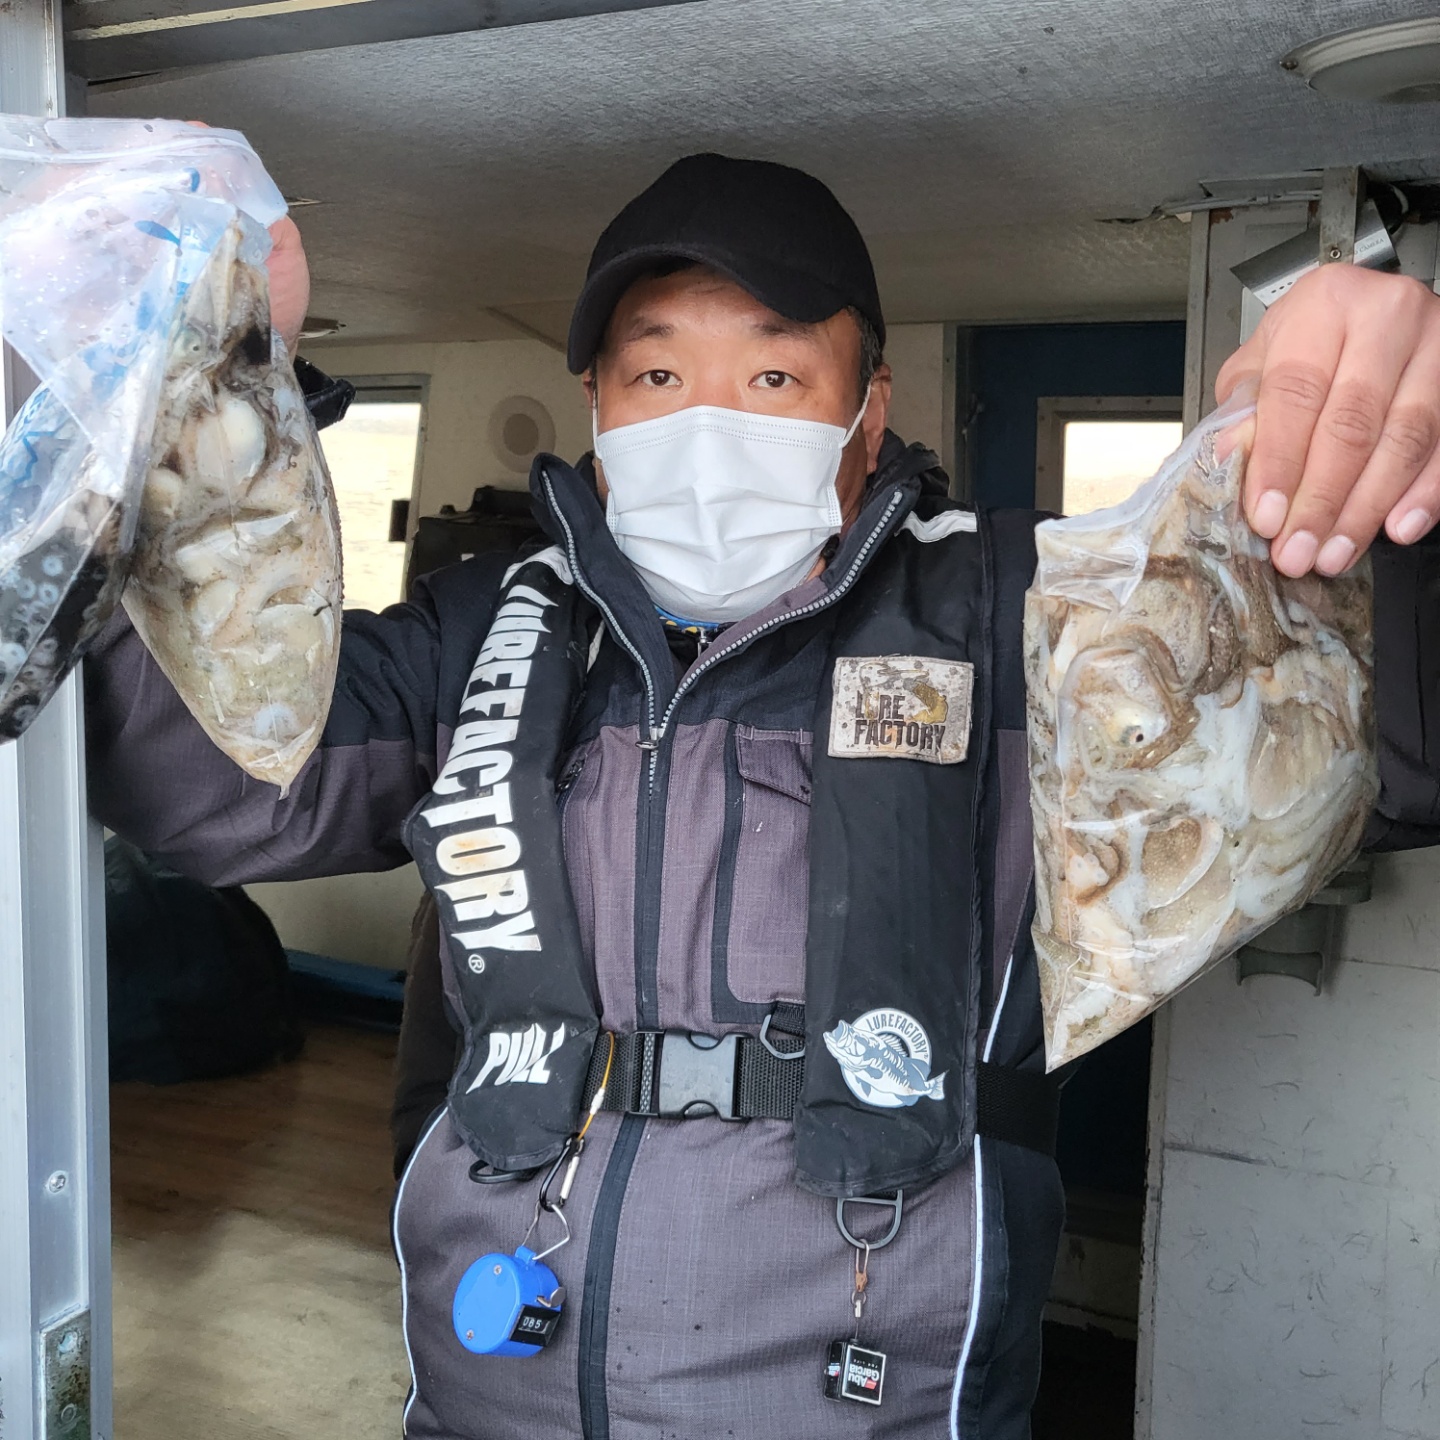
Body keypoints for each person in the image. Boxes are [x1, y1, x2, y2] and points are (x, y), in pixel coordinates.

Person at [88, 152, 1440, 1438]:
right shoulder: (484, 627)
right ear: (597, 410)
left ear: (869, 411)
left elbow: (1388, 753)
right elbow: (206, 787)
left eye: (776, 374)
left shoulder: (1022, 615)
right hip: (487, 1388)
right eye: (657, 372)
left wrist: (1392, 469)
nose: (709, 424)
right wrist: (198, 396)